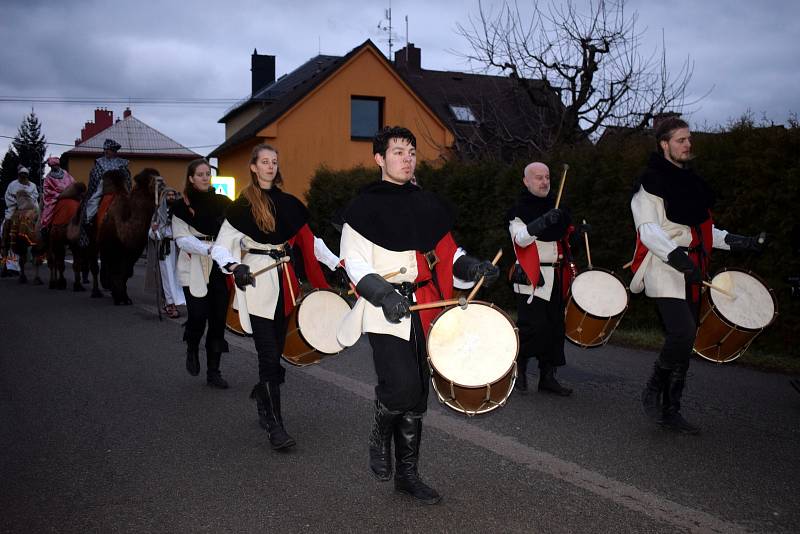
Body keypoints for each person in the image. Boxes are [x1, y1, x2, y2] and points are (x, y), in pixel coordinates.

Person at [337, 126, 499, 505]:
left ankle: (408, 476)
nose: (407, 158)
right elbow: (355, 263)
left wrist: (473, 267)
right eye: (398, 152)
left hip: (427, 307)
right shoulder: (362, 208)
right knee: (401, 388)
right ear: (379, 158)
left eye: (411, 152)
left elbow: (449, 255)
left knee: (419, 398)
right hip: (384, 310)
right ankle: (380, 433)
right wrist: (382, 293)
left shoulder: (427, 204)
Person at [630, 117, 765, 434]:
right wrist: (678, 258)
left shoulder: (692, 185)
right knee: (683, 332)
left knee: (686, 339)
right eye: (680, 140)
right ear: (664, 144)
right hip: (664, 267)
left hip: (693, 268)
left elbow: (704, 231)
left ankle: (671, 410)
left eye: (689, 139)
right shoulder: (647, 186)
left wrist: (738, 241)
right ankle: (653, 387)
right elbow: (649, 231)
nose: (688, 144)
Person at [211, 143, 339, 450]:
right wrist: (233, 266)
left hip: (286, 284)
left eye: (274, 162)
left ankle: (262, 398)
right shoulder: (241, 207)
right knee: (268, 355)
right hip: (255, 284)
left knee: (276, 356)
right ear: (253, 167)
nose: (270, 166)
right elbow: (220, 246)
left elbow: (312, 242)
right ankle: (277, 427)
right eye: (264, 162)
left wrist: (339, 264)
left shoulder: (289, 204)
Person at [507, 162, 576, 397]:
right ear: (526, 181)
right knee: (531, 328)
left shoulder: (557, 207)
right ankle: (520, 372)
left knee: (556, 327)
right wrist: (543, 221)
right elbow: (520, 239)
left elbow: (564, 238)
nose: (544, 181)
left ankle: (548, 377)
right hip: (531, 275)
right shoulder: (519, 209)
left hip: (556, 274)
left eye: (547, 177)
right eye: (538, 177)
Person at [171, 159, 232, 389]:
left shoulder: (223, 203)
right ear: (191, 178)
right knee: (198, 315)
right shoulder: (180, 207)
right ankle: (192, 345)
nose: (206, 177)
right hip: (194, 263)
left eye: (208, 173)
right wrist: (208, 248)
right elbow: (183, 239)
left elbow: (233, 231)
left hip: (218, 265)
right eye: (200, 174)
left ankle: (213, 372)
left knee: (217, 319)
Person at [78, 138, 130, 247]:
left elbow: (127, 179)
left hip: (119, 189)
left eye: (109, 149)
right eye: (105, 149)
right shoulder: (99, 164)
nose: (107, 151)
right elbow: (93, 179)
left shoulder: (122, 164)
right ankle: (89, 221)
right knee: (92, 202)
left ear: (114, 151)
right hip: (103, 188)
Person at [148, 184, 185, 318]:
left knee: (178, 277)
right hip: (165, 249)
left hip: (178, 247)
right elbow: (152, 235)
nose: (171, 197)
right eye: (168, 195)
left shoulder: (179, 212)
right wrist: (154, 229)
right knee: (167, 277)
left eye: (173, 195)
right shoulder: (158, 213)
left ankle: (173, 302)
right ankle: (171, 304)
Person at [2, 166, 39, 276]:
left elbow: (34, 196)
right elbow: (8, 196)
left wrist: (26, 200)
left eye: (25, 174)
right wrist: (17, 201)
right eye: (21, 174)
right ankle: (5, 240)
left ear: (27, 175)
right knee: (7, 221)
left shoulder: (32, 186)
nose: (23, 176)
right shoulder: (12, 185)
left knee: (38, 222)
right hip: (14, 207)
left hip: (29, 208)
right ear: (19, 175)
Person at [39, 156, 76, 240]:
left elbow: (73, 182)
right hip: (55, 197)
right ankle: (45, 226)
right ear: (51, 166)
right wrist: (58, 194)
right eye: (53, 165)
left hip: (69, 193)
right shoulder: (48, 178)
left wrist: (71, 190)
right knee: (48, 210)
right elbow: (47, 190)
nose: (55, 166)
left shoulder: (65, 173)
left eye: (56, 165)